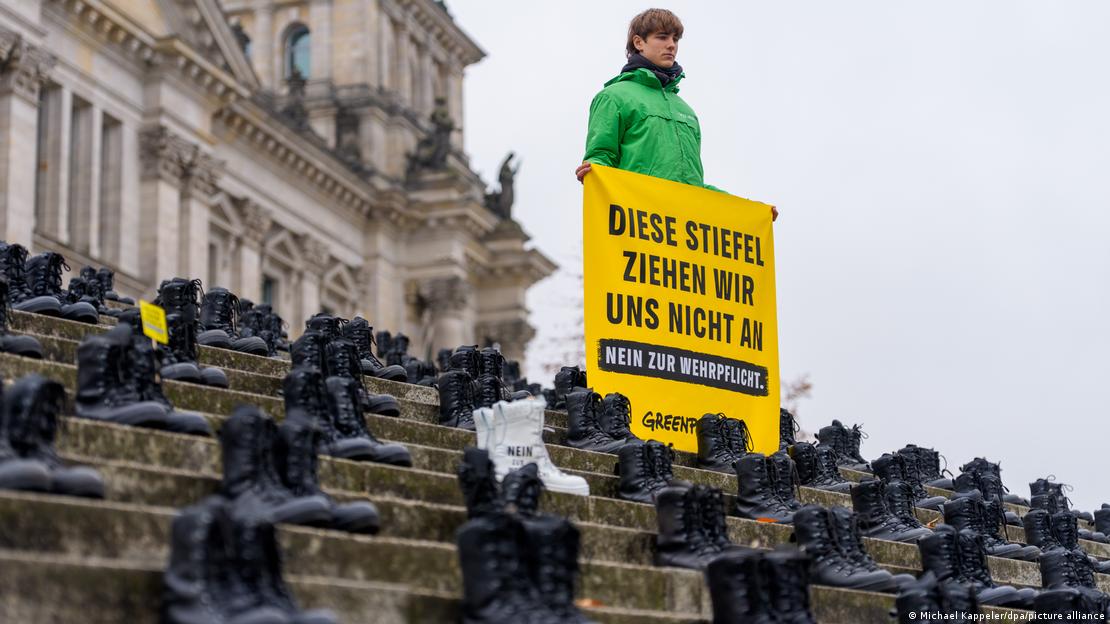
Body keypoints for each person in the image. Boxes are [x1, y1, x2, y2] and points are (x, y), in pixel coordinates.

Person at [576, 9, 778, 221]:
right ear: (639, 42)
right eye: (662, 37)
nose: (671, 45)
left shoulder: (686, 111)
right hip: (637, 227)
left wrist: (748, 210)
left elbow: (693, 186)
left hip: (680, 232)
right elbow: (601, 161)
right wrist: (594, 173)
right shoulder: (613, 97)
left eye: (675, 39)